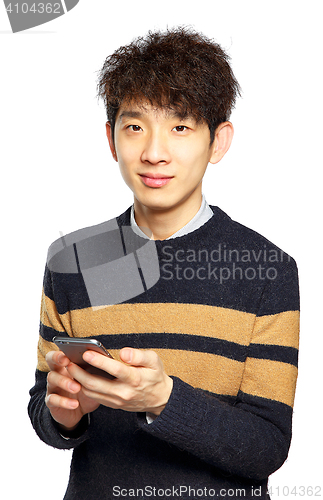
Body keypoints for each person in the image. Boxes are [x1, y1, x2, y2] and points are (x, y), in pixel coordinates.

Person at [28, 27, 300, 500]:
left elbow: (267, 446)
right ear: (111, 139)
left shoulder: (266, 269)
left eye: (180, 127)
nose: (154, 153)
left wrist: (162, 399)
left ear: (218, 142)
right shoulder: (72, 262)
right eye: (135, 127)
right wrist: (65, 415)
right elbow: (43, 408)